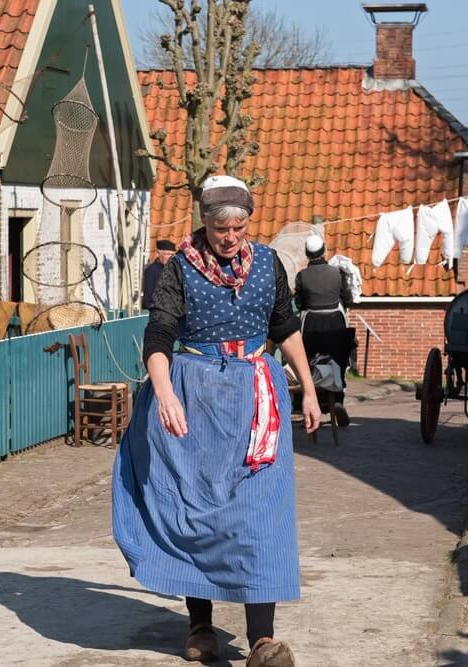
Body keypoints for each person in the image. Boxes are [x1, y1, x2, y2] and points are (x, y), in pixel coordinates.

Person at [113, 175, 321, 667]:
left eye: (240, 227)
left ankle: (262, 642)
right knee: (198, 513)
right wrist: (164, 395)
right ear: (204, 223)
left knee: (258, 515)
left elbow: (285, 328)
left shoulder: (268, 264)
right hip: (196, 397)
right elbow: (159, 334)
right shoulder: (180, 269)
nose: (231, 237)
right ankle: (201, 626)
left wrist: (309, 389)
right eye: (221, 227)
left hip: (256, 398)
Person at [294, 235, 354, 427]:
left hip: (310, 323)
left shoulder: (301, 276)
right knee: (337, 360)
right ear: (324, 251)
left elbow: (299, 303)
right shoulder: (338, 273)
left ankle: (311, 404)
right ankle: (337, 400)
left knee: (309, 362)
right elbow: (349, 299)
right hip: (335, 322)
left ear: (307, 253)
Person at [141, 239, 177, 310]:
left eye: (172, 254)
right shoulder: (152, 270)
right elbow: (148, 299)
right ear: (159, 253)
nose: (170, 257)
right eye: (167, 254)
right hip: (159, 312)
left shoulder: (174, 269)